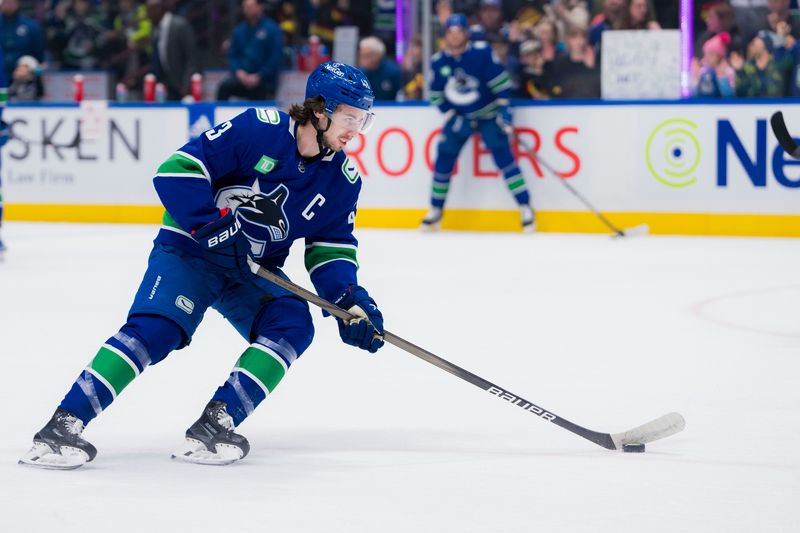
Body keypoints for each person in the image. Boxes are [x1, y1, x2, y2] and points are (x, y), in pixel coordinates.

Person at [19, 61, 385, 469]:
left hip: (251, 267)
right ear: (320, 110)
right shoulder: (257, 128)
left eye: (363, 120)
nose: (356, 129)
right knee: (155, 331)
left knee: (291, 324)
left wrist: (347, 299)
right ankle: (62, 427)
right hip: (190, 251)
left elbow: (331, 247)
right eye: (350, 117)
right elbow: (176, 170)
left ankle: (216, 424)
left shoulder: (344, 179)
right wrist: (211, 227)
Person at [423, 14, 534, 233]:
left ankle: (525, 206)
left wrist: (505, 112)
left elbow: (502, 86)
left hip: (488, 115)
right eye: (451, 32)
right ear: (445, 35)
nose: (455, 36)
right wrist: (451, 116)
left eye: (459, 32)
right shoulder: (438, 62)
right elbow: (436, 96)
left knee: (505, 158)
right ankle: (435, 210)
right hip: (460, 118)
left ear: (466, 34)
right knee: (444, 157)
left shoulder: (481, 53)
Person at [217, 0, 283, 101]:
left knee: (261, 92)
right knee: (224, 87)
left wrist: (260, 75)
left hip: (264, 81)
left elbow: (275, 58)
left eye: (250, 7)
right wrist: (238, 72)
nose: (246, 10)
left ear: (260, 7)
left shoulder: (272, 29)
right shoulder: (239, 30)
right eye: (245, 7)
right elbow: (233, 54)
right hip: (241, 79)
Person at [147, 0, 198, 101]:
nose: (147, 15)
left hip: (183, 87)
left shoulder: (180, 25)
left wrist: (185, 87)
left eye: (150, 11)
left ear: (159, 9)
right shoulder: (155, 28)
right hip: (167, 86)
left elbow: (191, 58)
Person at [0, 0, 45, 81]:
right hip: (1, 71)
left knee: (25, 70)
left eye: (12, 2)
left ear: (18, 3)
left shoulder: (31, 26)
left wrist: (29, 66)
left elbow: (39, 57)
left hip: (25, 75)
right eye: (5, 2)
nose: (9, 5)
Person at [357, 36, 402, 101]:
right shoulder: (359, 74)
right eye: (361, 55)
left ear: (378, 55)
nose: (362, 60)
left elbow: (399, 97)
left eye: (367, 55)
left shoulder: (393, 72)